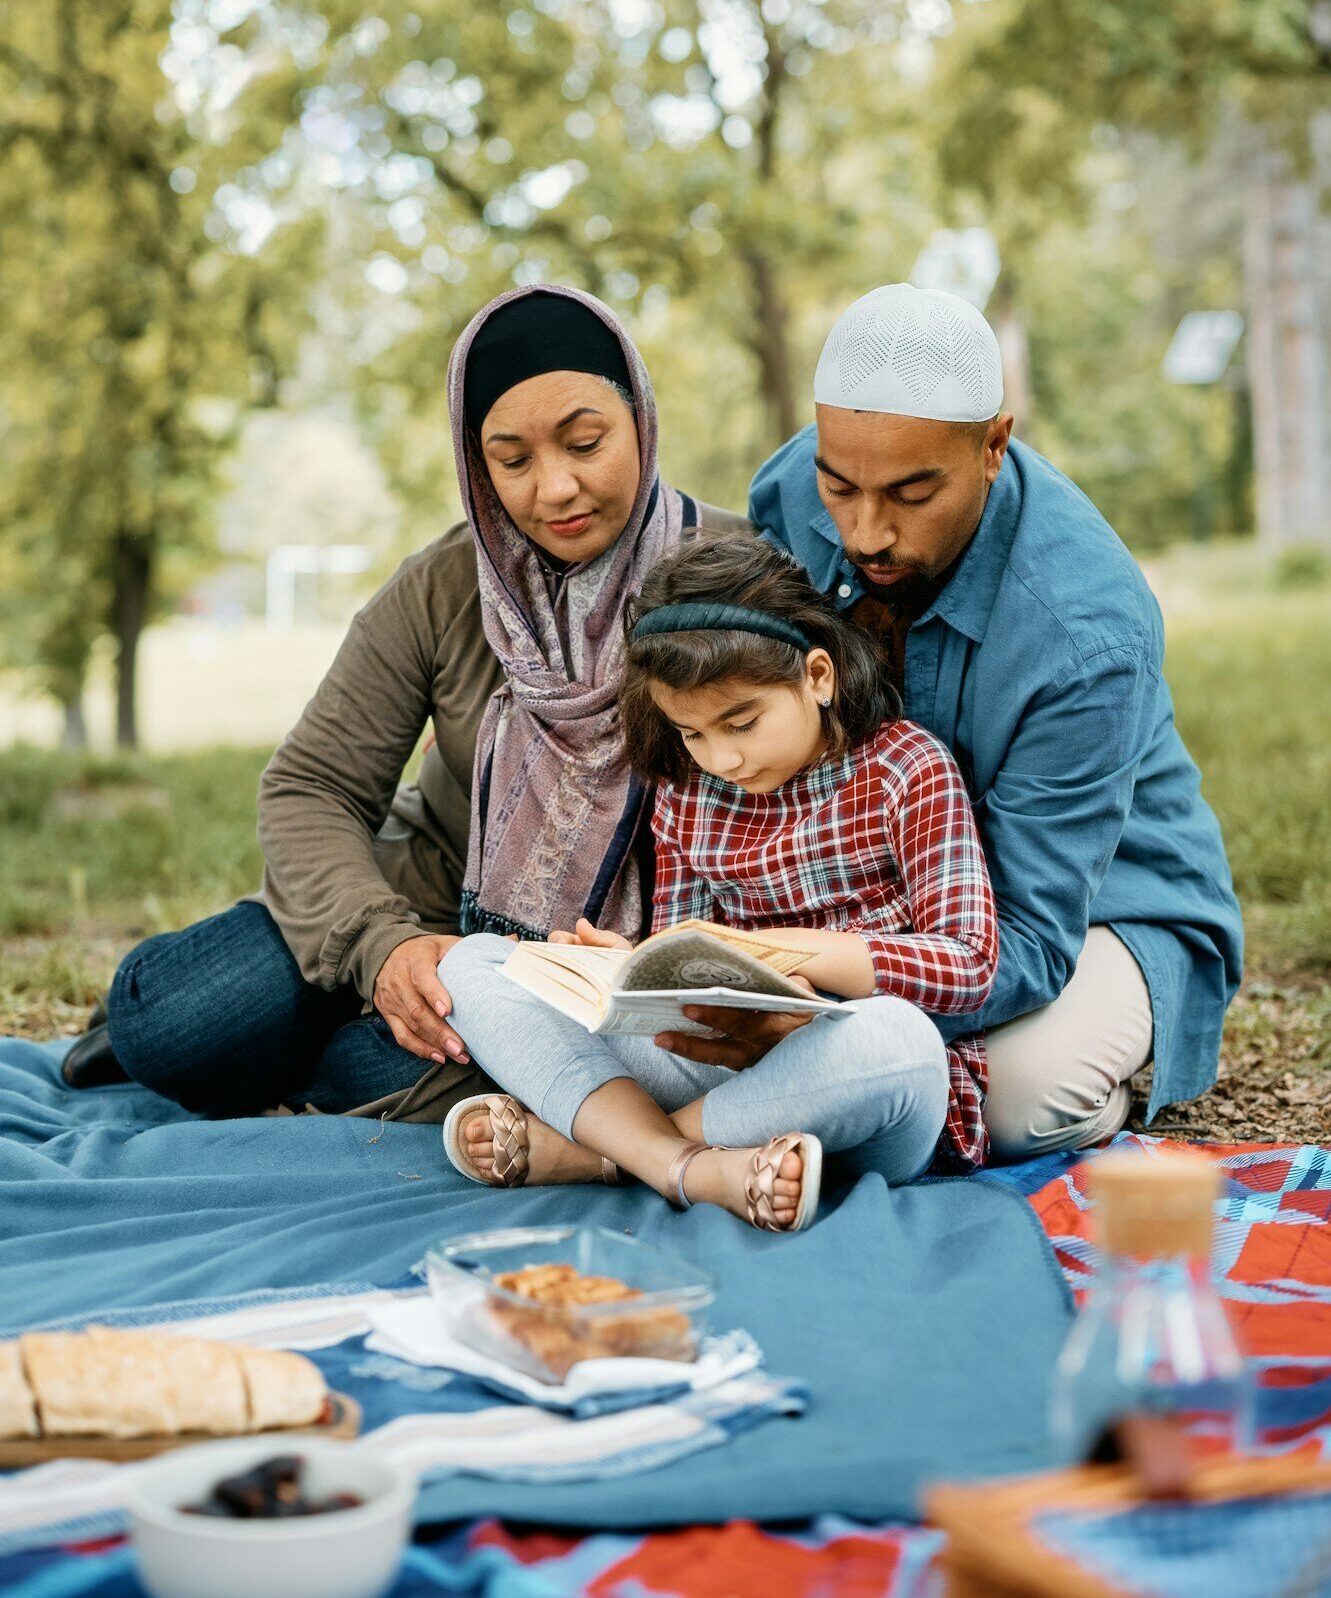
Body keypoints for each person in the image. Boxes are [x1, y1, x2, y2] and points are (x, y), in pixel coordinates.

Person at [64, 285, 748, 1119]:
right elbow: (310, 785)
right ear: (477, 465)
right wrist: (385, 949)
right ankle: (318, 1028)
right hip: (418, 912)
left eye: (585, 442)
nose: (556, 488)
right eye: (513, 459)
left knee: (385, 1069)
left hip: (611, 968)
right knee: (178, 1023)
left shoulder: (734, 576)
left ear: (639, 417)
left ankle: (330, 1061)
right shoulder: (448, 585)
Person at [684, 282, 1241, 1160]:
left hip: (1097, 909)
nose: (866, 533)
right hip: (886, 895)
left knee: (1017, 1102)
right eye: (841, 484)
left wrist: (825, 1010)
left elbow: (1021, 938)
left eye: (911, 493)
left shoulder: (1084, 636)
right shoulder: (792, 491)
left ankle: (1118, 1074)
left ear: (991, 445)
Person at [437, 536, 1000, 1232]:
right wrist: (625, 966)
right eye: (693, 733)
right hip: (721, 1065)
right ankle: (700, 1167)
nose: (722, 756)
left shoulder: (906, 768)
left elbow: (967, 964)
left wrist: (770, 954)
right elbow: (683, 966)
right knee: (472, 962)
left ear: (817, 676)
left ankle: (609, 1155)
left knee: (899, 1038)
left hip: (856, 1083)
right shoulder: (689, 791)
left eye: (742, 722)